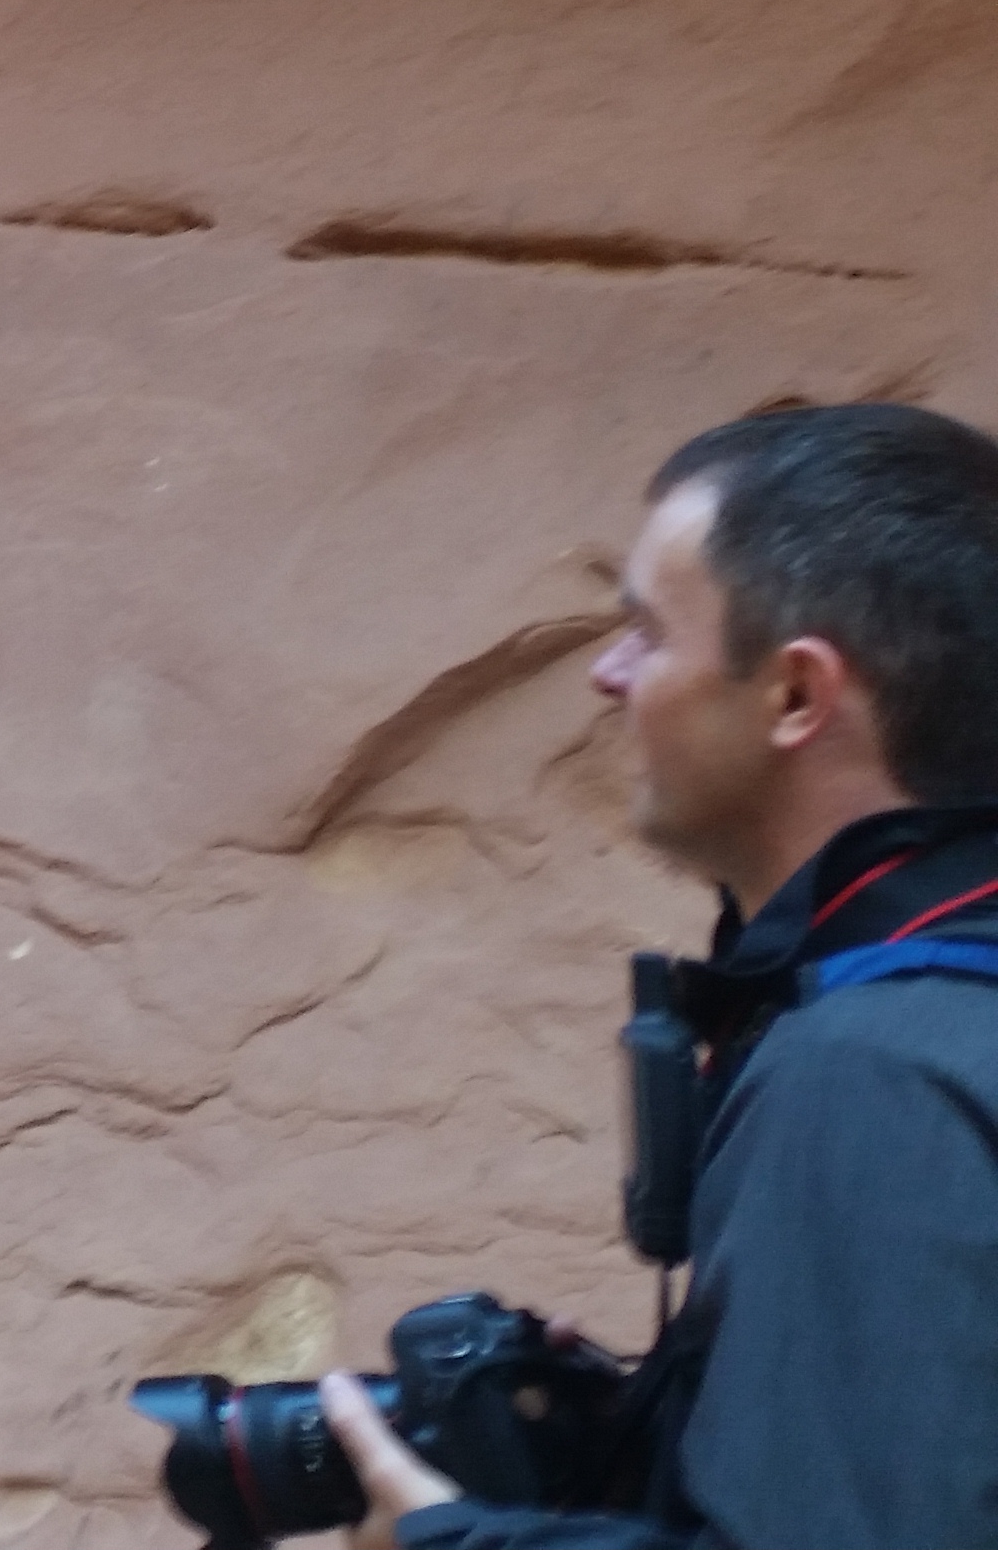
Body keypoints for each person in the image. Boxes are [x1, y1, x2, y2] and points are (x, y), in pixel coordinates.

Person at [321, 401, 998, 1549]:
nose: (605, 672)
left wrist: (445, 1539)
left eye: (646, 629)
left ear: (794, 695)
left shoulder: (872, 1073)